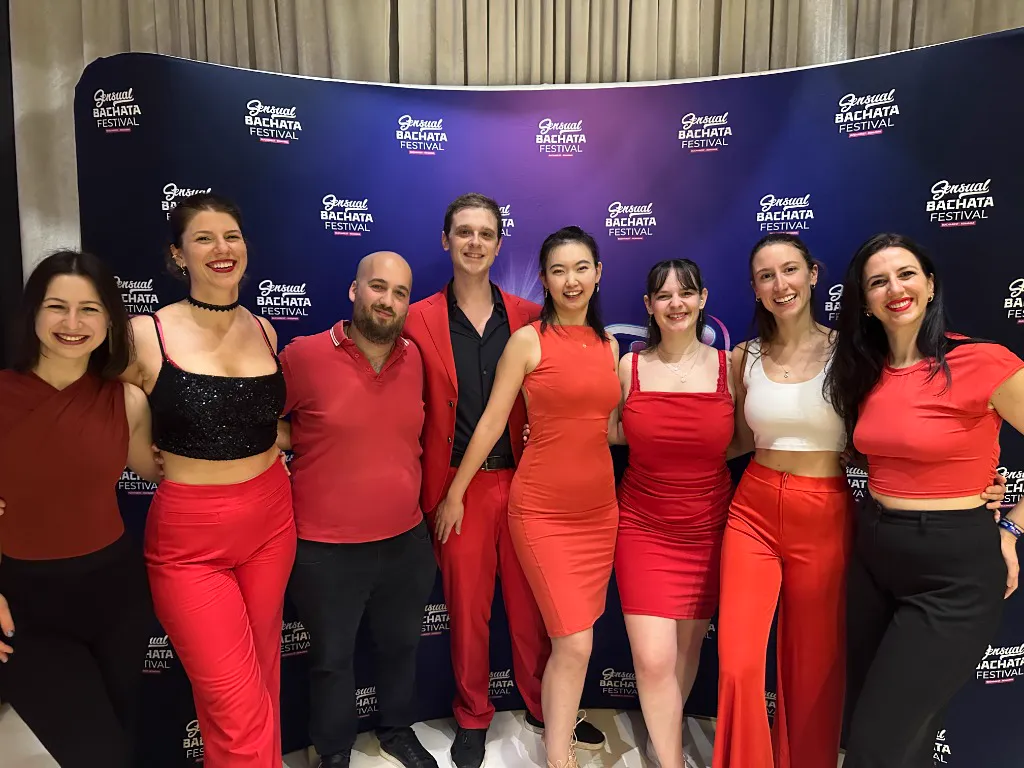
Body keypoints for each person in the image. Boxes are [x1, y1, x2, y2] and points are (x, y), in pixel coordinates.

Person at [405, 194, 602, 768]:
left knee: (530, 608)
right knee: (467, 611)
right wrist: (447, 493)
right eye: (463, 232)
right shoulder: (418, 318)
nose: (474, 243)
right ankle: (472, 714)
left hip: (524, 484)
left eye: (485, 233)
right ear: (446, 240)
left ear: (498, 243)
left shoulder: (525, 315)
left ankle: (546, 709)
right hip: (456, 490)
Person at [825, 233, 1024, 768]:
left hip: (952, 571)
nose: (895, 289)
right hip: (874, 553)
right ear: (864, 301)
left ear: (931, 285)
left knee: (876, 748)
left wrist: (1012, 530)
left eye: (907, 274)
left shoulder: (982, 361)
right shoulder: (864, 371)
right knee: (896, 738)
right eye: (878, 281)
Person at [121, 193, 297, 767]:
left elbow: (267, 425)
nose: (222, 249)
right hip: (190, 541)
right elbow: (125, 440)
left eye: (232, 236)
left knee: (262, 676)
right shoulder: (145, 334)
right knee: (234, 700)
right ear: (179, 254)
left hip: (271, 520)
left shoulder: (267, 330)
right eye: (204, 238)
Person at [277, 251, 438, 768]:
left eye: (399, 293)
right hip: (325, 550)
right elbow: (265, 423)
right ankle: (333, 752)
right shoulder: (302, 356)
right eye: (377, 287)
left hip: (405, 542)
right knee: (331, 662)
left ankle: (396, 729)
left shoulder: (416, 359)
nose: (387, 300)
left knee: (400, 648)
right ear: (353, 291)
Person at [0, 250, 159, 767]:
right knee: (99, 753)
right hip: (26, 605)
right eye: (57, 307)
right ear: (33, 314)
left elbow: (165, 472)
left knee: (119, 732)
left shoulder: (126, 401)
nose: (73, 324)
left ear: (109, 318)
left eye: (89, 309)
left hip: (116, 596)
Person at [611, 259, 736, 768]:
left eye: (686, 293)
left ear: (703, 298)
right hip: (642, 525)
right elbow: (612, 431)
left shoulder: (732, 367)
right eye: (664, 296)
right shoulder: (630, 367)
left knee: (687, 655)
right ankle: (669, 759)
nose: (676, 304)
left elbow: (745, 442)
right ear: (649, 307)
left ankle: (664, 736)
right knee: (653, 658)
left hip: (709, 527)